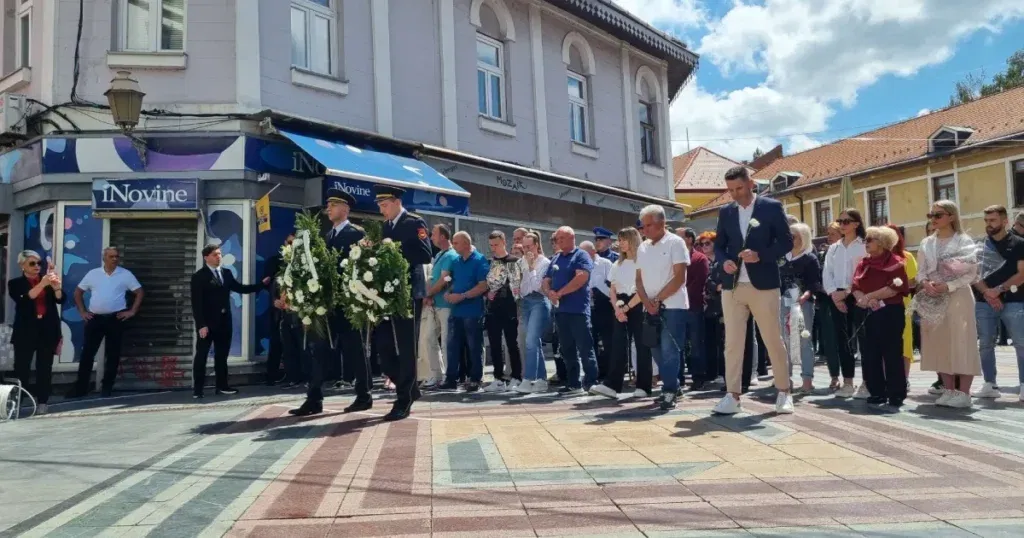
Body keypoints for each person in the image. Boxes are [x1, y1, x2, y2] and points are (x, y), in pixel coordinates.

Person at [712, 166, 794, 415]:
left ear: (750, 184)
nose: (735, 194)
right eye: (730, 190)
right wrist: (724, 260)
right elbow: (719, 246)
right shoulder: (726, 211)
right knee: (733, 343)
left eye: (738, 188)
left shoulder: (771, 207)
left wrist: (761, 255)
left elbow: (787, 242)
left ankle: (783, 392)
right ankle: (733, 395)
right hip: (733, 285)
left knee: (772, 339)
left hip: (764, 284)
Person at [374, 185, 433, 420]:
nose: (382, 210)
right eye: (379, 206)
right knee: (384, 346)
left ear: (397, 201)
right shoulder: (386, 226)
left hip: (408, 291)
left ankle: (403, 400)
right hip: (388, 294)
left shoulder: (414, 222)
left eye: (384, 205)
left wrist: (395, 251)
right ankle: (409, 387)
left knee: (407, 347)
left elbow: (426, 253)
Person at [916, 200, 982, 409]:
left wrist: (949, 285)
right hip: (933, 295)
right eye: (931, 215)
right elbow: (920, 270)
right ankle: (948, 389)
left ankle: (964, 393)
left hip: (958, 296)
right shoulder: (927, 242)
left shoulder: (963, 240)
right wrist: (925, 283)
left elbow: (971, 272)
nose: (933, 219)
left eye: (938, 215)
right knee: (939, 340)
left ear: (952, 217)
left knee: (962, 341)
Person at [191, 244, 266, 398]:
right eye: (215, 255)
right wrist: (201, 325)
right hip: (207, 323)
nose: (218, 257)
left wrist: (261, 285)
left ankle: (222, 386)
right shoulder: (199, 276)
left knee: (222, 356)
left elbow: (240, 288)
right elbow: (196, 303)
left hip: (224, 322)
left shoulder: (226, 273)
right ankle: (198, 389)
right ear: (206, 257)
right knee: (202, 355)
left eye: (219, 254)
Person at [69, 247, 144, 398]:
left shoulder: (125, 274)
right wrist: (83, 312)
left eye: (117, 256)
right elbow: (78, 292)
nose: (115, 259)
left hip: (115, 319)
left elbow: (139, 292)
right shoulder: (93, 274)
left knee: (113, 354)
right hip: (95, 319)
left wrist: (132, 311)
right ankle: (81, 388)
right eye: (111, 257)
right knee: (87, 354)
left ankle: (107, 387)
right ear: (104, 258)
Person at [635, 205, 689, 410]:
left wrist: (657, 300)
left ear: (662, 223)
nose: (645, 230)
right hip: (649, 307)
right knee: (654, 348)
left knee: (669, 350)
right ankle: (673, 384)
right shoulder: (642, 247)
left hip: (673, 306)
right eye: (643, 226)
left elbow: (679, 277)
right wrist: (646, 301)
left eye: (649, 225)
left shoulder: (676, 243)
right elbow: (638, 279)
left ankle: (669, 390)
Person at [590, 227, 653, 398]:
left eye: (624, 239)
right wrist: (617, 308)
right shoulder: (618, 263)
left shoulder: (642, 261)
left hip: (637, 303)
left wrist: (626, 307)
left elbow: (643, 289)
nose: (621, 243)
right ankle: (612, 384)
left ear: (633, 240)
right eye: (620, 239)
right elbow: (612, 288)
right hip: (620, 303)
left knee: (641, 345)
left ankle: (644, 385)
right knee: (618, 344)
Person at [851, 226, 910, 408]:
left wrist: (870, 297)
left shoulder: (896, 262)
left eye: (870, 239)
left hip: (890, 312)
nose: (866, 243)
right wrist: (863, 299)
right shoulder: (863, 263)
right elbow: (855, 285)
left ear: (883, 242)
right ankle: (876, 392)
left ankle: (896, 393)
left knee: (892, 352)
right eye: (866, 239)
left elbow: (895, 287)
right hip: (867, 311)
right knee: (869, 353)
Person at [972, 205, 1024, 401]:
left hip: (1015, 300)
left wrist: (998, 290)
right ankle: (989, 384)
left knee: (1021, 343)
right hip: (984, 301)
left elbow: (1022, 273)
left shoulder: (1019, 243)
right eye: (986, 221)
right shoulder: (979, 246)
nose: (989, 225)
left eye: (993, 220)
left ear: (1005, 221)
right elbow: (974, 273)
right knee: (985, 343)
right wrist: (987, 292)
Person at [543, 226, 598, 395]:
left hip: (578, 310)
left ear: (571, 238)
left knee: (584, 347)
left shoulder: (580, 255)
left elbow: (581, 277)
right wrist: (549, 292)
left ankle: (590, 382)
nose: (558, 242)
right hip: (561, 311)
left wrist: (560, 293)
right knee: (567, 348)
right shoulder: (556, 258)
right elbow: (546, 279)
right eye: (556, 239)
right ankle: (573, 383)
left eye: (561, 238)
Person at [8, 251, 64, 414]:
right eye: (32, 264)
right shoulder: (15, 283)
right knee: (22, 368)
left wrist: (56, 287)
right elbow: (25, 299)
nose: (37, 267)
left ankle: (43, 402)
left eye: (39, 263)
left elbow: (60, 299)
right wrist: (42, 284)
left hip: (46, 330)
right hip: (26, 331)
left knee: (44, 368)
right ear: (22, 265)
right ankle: (17, 402)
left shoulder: (47, 281)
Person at [822, 209, 867, 398]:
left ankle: (867, 382)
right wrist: (833, 294)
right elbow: (827, 272)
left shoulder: (864, 245)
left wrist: (847, 292)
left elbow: (865, 273)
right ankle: (847, 381)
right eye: (840, 221)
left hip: (859, 294)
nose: (842, 225)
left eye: (846, 221)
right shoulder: (834, 248)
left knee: (864, 339)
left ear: (857, 223)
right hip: (836, 294)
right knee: (843, 340)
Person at [441, 232, 490, 391]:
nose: (453, 246)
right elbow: (455, 282)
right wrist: (449, 292)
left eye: (456, 243)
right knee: (452, 346)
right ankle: (451, 379)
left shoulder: (479, 260)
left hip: (472, 311)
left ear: (466, 244)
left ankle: (475, 379)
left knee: (474, 346)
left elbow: (483, 285)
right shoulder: (456, 261)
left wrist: (461, 296)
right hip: (456, 311)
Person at [782, 223, 822, 394]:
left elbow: (814, 283)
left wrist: (804, 297)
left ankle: (807, 379)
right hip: (783, 302)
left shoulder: (809, 258)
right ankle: (786, 379)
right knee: (785, 341)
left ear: (803, 238)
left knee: (804, 341)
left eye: (794, 236)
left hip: (803, 304)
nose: (791, 239)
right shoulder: (782, 257)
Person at [420, 224, 458, 389]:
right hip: (435, 304)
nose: (431, 237)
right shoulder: (440, 255)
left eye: (434, 234)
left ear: (443, 236)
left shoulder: (450, 255)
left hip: (446, 305)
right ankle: (436, 375)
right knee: (429, 338)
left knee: (446, 342)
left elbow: (444, 280)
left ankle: (449, 377)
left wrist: (429, 294)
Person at [483, 231, 523, 391]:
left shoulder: (514, 261)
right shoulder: (490, 261)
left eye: (496, 245)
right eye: (491, 245)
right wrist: (488, 292)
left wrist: (498, 290)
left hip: (509, 308)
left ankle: (516, 377)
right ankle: (498, 378)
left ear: (504, 242)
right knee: (494, 344)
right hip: (493, 309)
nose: (494, 248)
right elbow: (486, 283)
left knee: (512, 343)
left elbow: (515, 284)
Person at [515, 231, 552, 393]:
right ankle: (542, 380)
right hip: (525, 302)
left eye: (529, 246)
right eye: (524, 247)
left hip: (539, 301)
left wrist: (530, 268)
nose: (526, 250)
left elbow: (537, 286)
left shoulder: (545, 262)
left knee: (531, 340)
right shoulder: (520, 261)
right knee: (532, 342)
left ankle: (528, 379)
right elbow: (522, 288)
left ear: (537, 245)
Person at [678, 228, 709, 390]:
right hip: (677, 307)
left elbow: (699, 284)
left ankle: (698, 378)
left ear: (689, 239)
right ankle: (679, 379)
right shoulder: (674, 258)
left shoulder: (699, 258)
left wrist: (681, 293)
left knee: (696, 344)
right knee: (678, 344)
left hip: (694, 307)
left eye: (680, 237)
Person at [581, 241, 614, 382]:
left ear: (593, 252)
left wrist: (598, 289)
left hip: (605, 307)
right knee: (589, 341)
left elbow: (613, 287)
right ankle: (593, 374)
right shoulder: (580, 264)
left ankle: (608, 373)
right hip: (587, 308)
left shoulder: (606, 264)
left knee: (607, 342)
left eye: (585, 253)